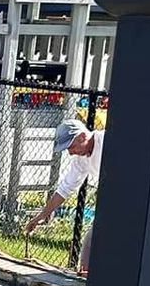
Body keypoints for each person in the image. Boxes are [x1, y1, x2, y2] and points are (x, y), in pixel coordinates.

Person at [23, 116, 106, 275]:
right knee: (91, 242)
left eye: (71, 146)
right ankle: (86, 275)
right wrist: (42, 215)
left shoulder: (105, 142)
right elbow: (65, 188)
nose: (70, 152)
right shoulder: (80, 160)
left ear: (82, 136)